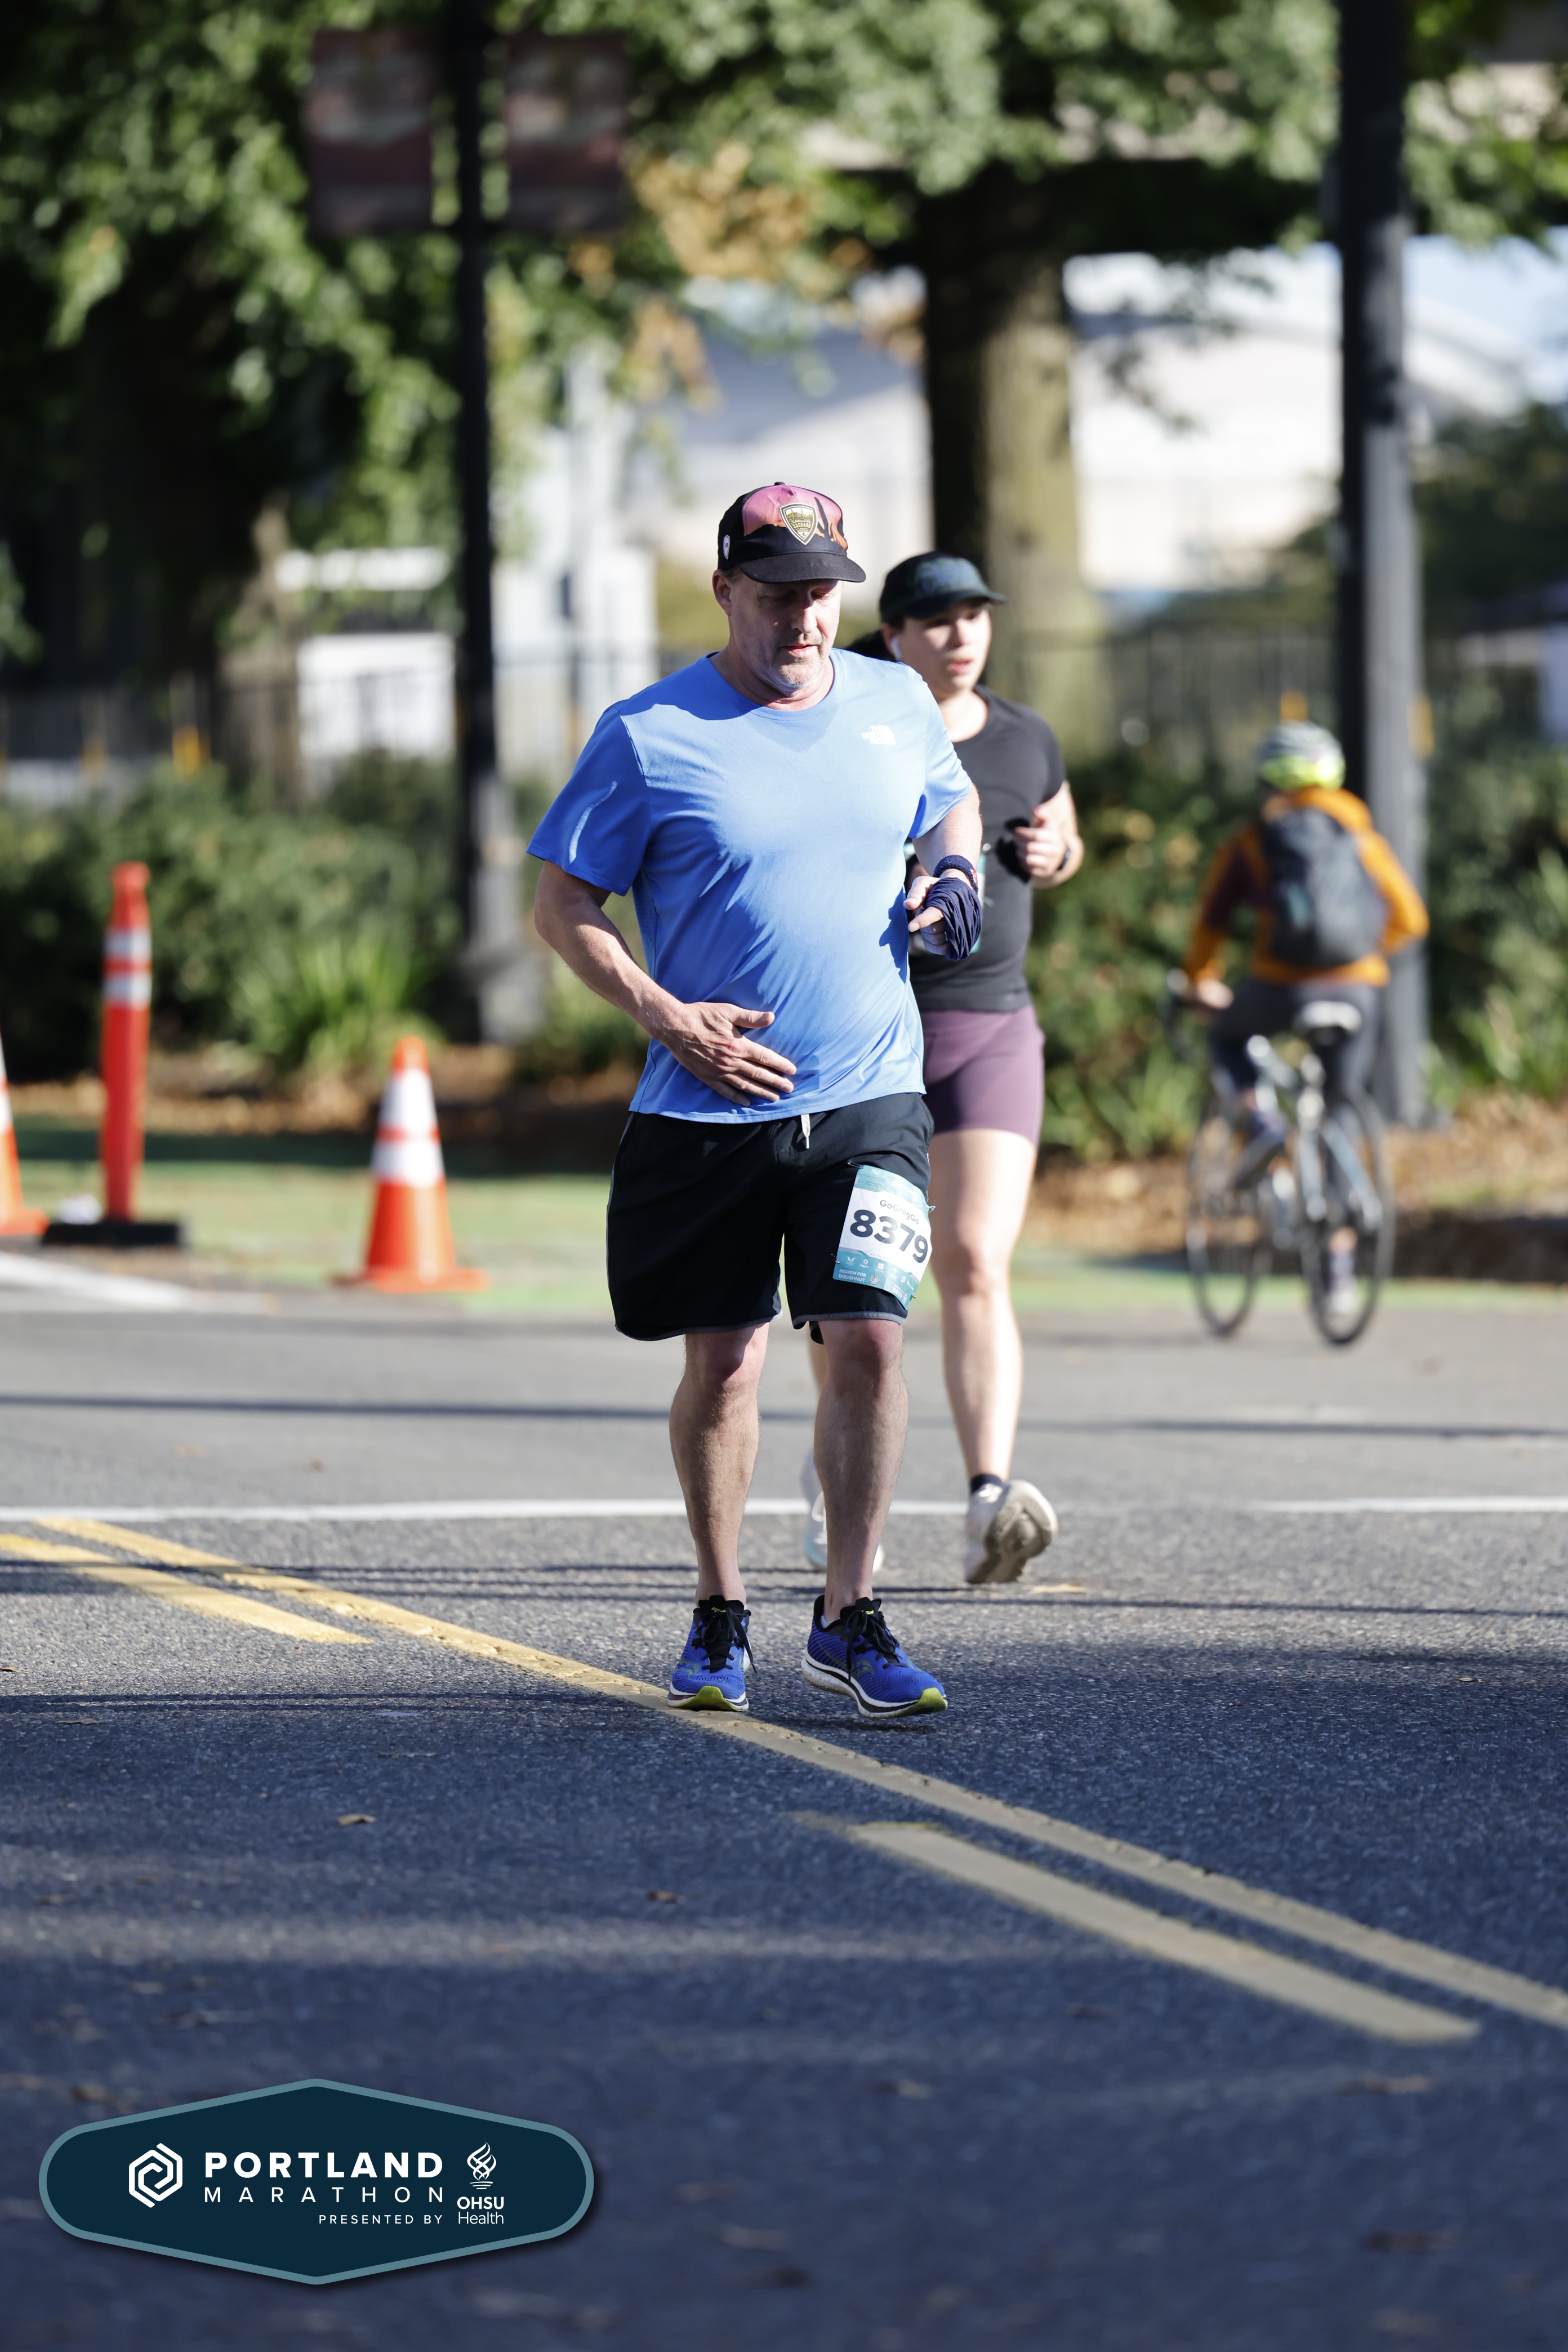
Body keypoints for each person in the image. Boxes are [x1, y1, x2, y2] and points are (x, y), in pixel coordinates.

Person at [528, 485, 983, 1719]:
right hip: (707, 1105)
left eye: (821, 594)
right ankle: (720, 1605)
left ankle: (849, 1611)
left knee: (870, 1340)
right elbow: (562, 904)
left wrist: (952, 870)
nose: (802, 618)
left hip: (870, 1090)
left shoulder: (892, 699)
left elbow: (947, 796)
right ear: (726, 589)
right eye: (777, 593)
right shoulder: (648, 734)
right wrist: (667, 1016)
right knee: (726, 1366)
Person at [799, 552, 1084, 1584]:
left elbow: (1064, 833)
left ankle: (985, 1501)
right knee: (857, 1279)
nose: (962, 637)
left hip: (991, 1027)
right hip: (869, 1032)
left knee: (972, 1256)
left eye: (974, 616)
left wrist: (1057, 855)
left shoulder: (1024, 735)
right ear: (893, 637)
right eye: (938, 621)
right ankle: (838, 1457)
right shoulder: (846, 724)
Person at [1174, 718, 1428, 1313]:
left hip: (1281, 987)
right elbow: (1410, 918)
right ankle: (1338, 1276)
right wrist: (1365, 957)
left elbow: (1211, 920)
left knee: (1228, 1037)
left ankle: (1262, 1124)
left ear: (1269, 779)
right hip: (1360, 990)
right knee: (1338, 1114)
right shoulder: (1361, 834)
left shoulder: (1254, 841)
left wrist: (1199, 980)